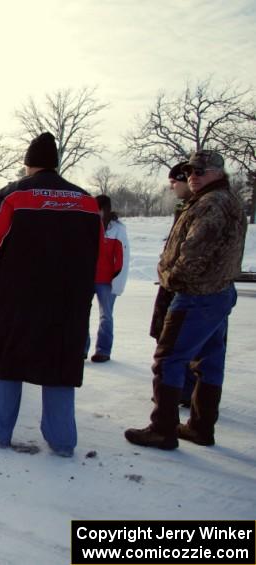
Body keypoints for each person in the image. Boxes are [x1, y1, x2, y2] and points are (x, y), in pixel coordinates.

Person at [0, 132, 102, 457]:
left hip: (17, 298)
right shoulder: (86, 201)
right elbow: (98, 251)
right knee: (59, 365)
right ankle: (62, 441)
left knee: (8, 363)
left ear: (28, 164)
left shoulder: (13, 196)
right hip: (68, 301)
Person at [125, 150, 246, 450]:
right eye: (191, 171)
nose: (193, 176)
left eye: (200, 172)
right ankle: (201, 426)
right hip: (217, 292)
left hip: (196, 295)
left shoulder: (211, 204)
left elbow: (194, 252)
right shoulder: (225, 200)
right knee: (209, 361)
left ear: (218, 173)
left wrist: (172, 278)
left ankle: (162, 429)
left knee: (169, 359)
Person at [149, 162, 197, 406]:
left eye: (174, 182)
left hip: (185, 288)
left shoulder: (204, 207)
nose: (172, 187)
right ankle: (180, 391)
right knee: (169, 340)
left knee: (177, 347)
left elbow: (191, 252)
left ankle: (179, 393)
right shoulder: (185, 207)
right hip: (174, 286)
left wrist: (172, 276)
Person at [85, 194, 128, 363]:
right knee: (82, 314)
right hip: (87, 278)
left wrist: (117, 279)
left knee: (106, 316)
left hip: (107, 281)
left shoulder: (117, 228)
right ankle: (81, 348)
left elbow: (122, 256)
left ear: (104, 209)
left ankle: (103, 350)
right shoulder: (87, 225)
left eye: (98, 209)